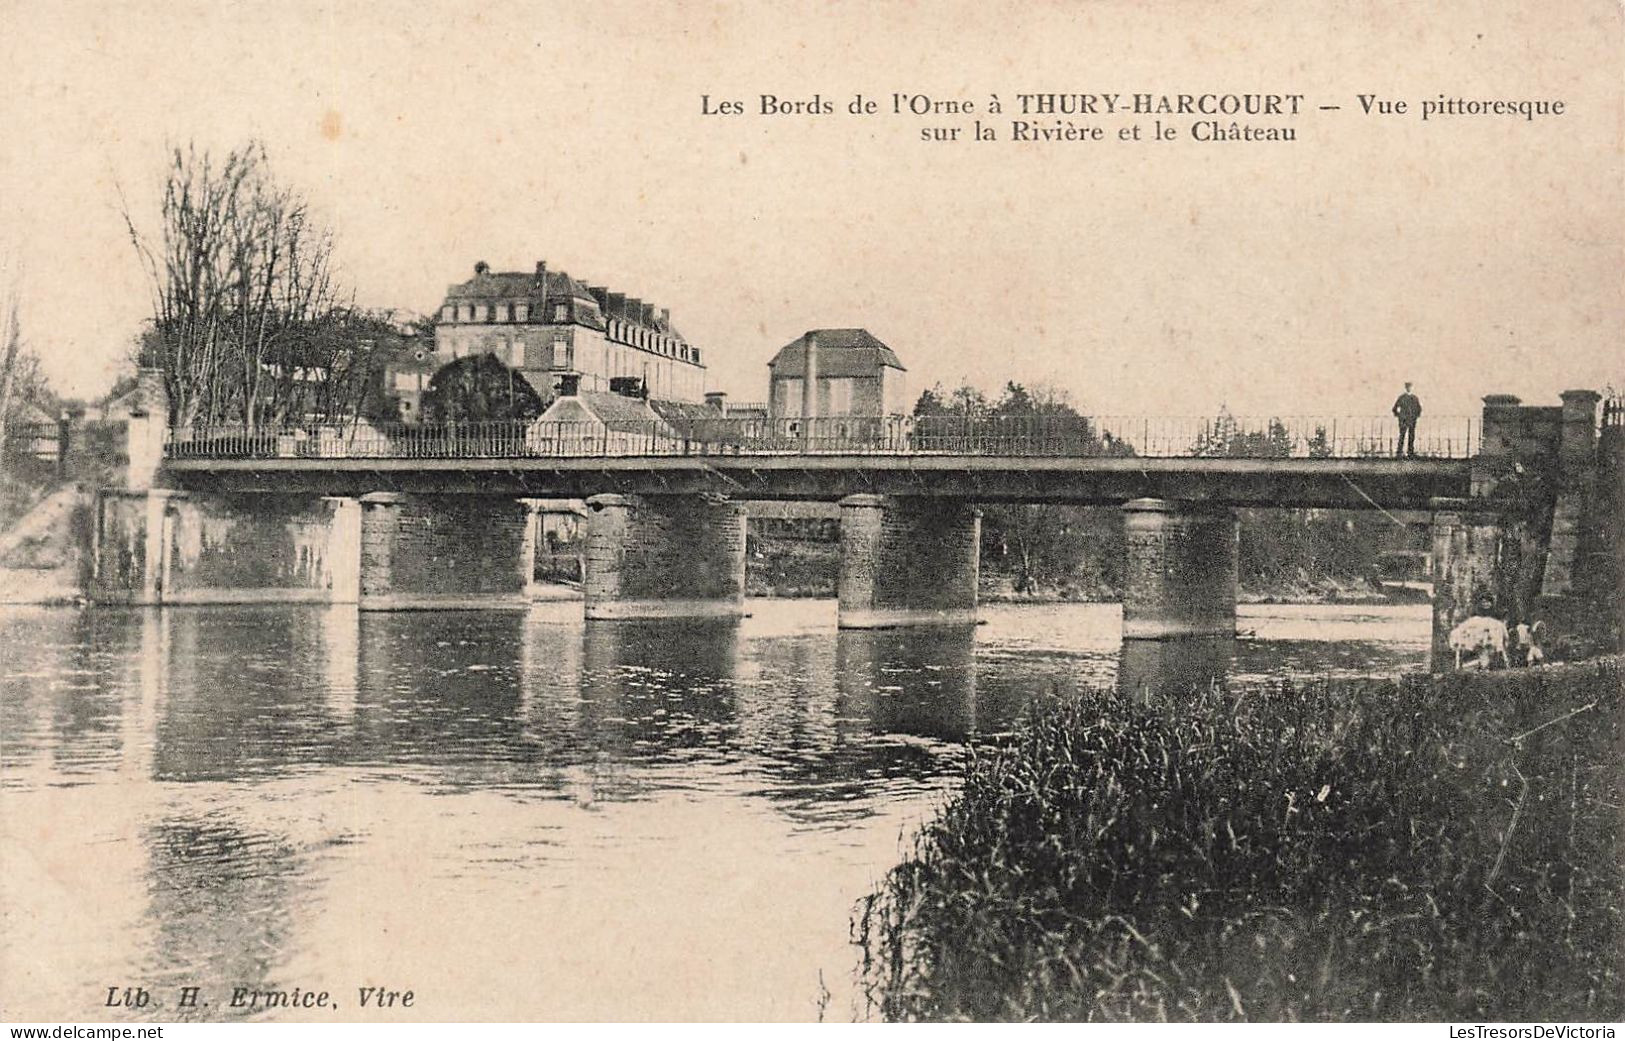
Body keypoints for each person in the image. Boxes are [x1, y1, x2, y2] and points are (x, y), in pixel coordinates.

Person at [1392, 382, 1422, 458]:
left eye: (1410, 387)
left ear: (1412, 388)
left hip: (1412, 420)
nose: (1409, 388)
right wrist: (1399, 416)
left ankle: (1410, 452)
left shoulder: (1415, 398)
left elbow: (1419, 409)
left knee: (1411, 436)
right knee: (1402, 435)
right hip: (1404, 420)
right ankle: (1399, 452)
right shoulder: (1402, 397)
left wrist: (1416, 416)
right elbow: (1394, 408)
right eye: (1408, 387)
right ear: (1406, 388)